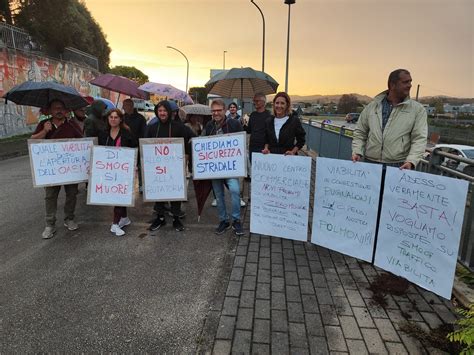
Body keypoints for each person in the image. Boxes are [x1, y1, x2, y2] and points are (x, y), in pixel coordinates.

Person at [351, 69, 428, 169]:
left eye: (410, 81)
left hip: (399, 166)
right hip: (370, 163)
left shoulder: (418, 110)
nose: (410, 85)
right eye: (405, 82)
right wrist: (357, 152)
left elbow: (419, 139)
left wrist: (411, 161)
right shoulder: (372, 107)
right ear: (392, 85)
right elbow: (360, 132)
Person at [31, 99, 84, 239]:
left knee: (72, 194)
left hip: (70, 169)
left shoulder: (72, 124)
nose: (59, 110)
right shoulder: (44, 124)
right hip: (51, 171)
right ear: (50, 111)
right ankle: (50, 224)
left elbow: (82, 142)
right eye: (55, 108)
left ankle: (69, 218)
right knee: (50, 196)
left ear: (65, 110)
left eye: (61, 108)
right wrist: (44, 131)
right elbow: (33, 141)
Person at [146, 101, 190, 232]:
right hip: (157, 167)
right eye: (160, 111)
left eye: (164, 111)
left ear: (169, 112)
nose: (162, 113)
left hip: (174, 166)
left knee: (175, 191)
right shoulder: (152, 128)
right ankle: (160, 218)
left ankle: (176, 218)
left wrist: (185, 161)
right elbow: (146, 147)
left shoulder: (179, 127)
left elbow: (186, 146)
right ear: (156, 112)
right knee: (159, 190)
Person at [204, 99, 245, 236]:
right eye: (213, 110)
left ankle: (236, 220)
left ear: (224, 110)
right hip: (215, 169)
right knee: (219, 195)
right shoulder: (209, 126)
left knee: (234, 191)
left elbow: (240, 143)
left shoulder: (234, 123)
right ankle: (223, 220)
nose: (216, 113)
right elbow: (203, 142)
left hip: (230, 167)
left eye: (218, 110)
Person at [99, 109, 137, 236]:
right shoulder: (103, 133)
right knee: (118, 194)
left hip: (124, 170)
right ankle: (124, 218)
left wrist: (134, 165)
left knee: (120, 195)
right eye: (111, 117)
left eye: (116, 117)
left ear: (121, 119)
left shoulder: (127, 133)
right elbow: (99, 151)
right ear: (108, 119)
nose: (113, 119)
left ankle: (115, 224)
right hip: (109, 170)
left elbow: (134, 149)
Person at [123, 99, 147, 192]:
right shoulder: (121, 118)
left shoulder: (140, 118)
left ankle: (141, 185)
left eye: (127, 105)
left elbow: (144, 132)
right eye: (124, 105)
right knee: (126, 167)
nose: (125, 107)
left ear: (131, 106)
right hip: (125, 147)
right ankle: (126, 185)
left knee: (140, 166)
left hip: (137, 145)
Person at [244, 93, 272, 162]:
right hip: (252, 147)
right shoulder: (253, 115)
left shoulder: (269, 115)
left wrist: (267, 146)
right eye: (254, 101)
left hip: (263, 148)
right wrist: (244, 124)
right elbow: (249, 130)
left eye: (257, 101)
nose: (254, 103)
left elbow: (270, 134)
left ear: (263, 102)